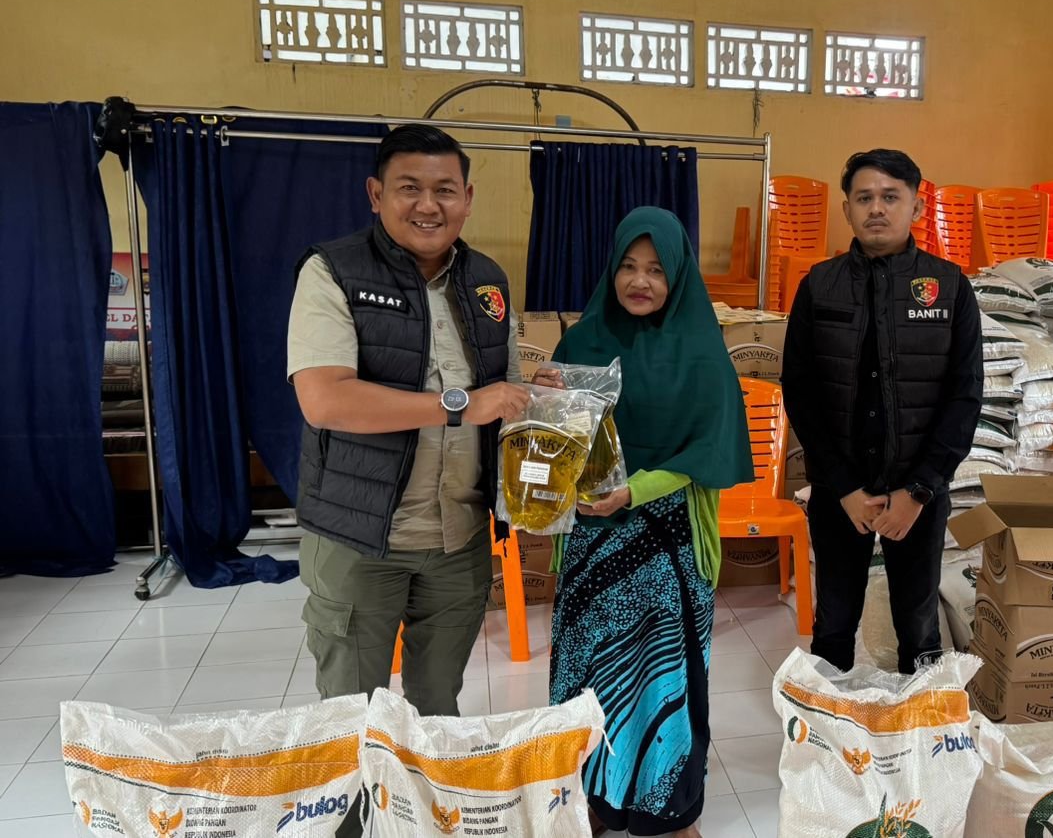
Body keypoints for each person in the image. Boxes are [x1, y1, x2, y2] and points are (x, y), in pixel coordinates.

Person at [288, 124, 528, 718]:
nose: (428, 205)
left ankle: (425, 785)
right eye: (409, 188)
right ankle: (361, 787)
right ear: (376, 194)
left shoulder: (487, 281)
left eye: (444, 190)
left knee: (438, 706)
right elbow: (325, 400)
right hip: (361, 539)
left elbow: (502, 391)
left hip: (459, 539)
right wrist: (460, 405)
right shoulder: (332, 271)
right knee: (354, 715)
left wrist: (533, 395)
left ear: (467, 198)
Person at [537, 207, 753, 838]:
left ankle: (671, 810)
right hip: (592, 540)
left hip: (668, 542)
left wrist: (634, 491)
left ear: (677, 275)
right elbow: (552, 437)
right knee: (588, 675)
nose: (640, 281)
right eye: (628, 266)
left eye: (656, 269)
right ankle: (594, 802)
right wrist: (544, 395)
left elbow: (705, 452)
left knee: (665, 679)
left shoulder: (702, 351)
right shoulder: (581, 343)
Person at [782, 148, 982, 675]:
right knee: (833, 620)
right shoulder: (818, 285)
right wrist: (843, 488)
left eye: (891, 197)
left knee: (918, 623)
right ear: (846, 209)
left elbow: (964, 396)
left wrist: (919, 491)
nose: (877, 208)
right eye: (864, 197)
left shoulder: (949, 287)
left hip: (917, 492)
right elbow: (800, 391)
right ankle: (829, 716)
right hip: (840, 491)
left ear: (917, 207)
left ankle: (920, 718)